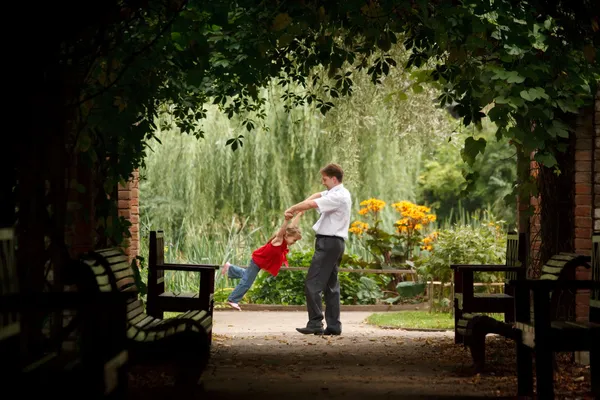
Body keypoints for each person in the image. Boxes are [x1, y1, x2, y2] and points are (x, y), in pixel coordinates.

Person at [284, 163, 351, 336]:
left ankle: (315, 323)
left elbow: (311, 204)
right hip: (334, 243)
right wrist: (301, 210)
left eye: (325, 179)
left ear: (334, 179)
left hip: (328, 243)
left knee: (312, 283)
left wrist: (292, 209)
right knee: (330, 286)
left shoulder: (338, 197)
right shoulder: (337, 192)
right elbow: (315, 197)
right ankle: (334, 326)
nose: (323, 182)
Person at [221, 212, 304, 310]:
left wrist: (300, 214)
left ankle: (230, 268)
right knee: (247, 281)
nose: (294, 243)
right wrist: (286, 220)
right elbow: (283, 230)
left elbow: (292, 226)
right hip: (257, 261)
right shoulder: (279, 240)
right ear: (286, 235)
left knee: (247, 275)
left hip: (260, 262)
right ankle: (233, 300)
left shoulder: (284, 240)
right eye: (294, 240)